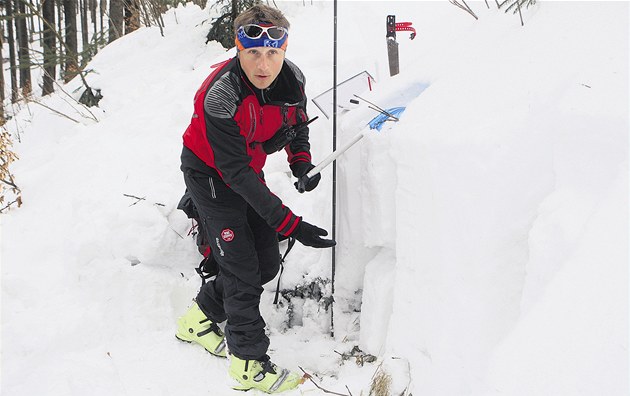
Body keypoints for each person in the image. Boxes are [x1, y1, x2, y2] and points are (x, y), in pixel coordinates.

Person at [175, 4, 335, 394]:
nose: (264, 64)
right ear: (238, 48)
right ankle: (248, 366)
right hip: (211, 175)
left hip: (246, 171)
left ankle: (197, 320)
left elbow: (296, 126)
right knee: (242, 267)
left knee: (264, 263)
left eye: (273, 53)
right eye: (253, 53)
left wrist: (301, 164)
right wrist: (291, 224)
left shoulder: (292, 78)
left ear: (283, 50)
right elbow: (236, 175)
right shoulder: (220, 95)